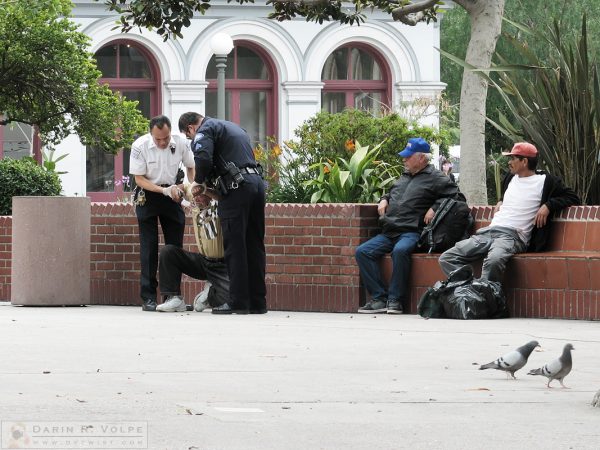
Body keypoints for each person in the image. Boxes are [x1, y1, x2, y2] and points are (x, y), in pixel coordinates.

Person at [439, 142, 580, 282]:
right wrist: (501, 200)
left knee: (493, 261)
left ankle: (485, 295)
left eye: (513, 158)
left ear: (524, 161)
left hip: (512, 237)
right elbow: (513, 195)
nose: (509, 162)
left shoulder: (545, 181)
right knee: (447, 258)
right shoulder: (510, 178)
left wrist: (548, 205)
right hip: (488, 232)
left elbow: (573, 197)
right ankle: (471, 290)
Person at [355, 137, 464, 315]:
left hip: (412, 232)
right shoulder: (404, 176)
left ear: (421, 158)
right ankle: (379, 298)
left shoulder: (436, 178)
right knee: (363, 252)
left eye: (408, 156)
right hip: (390, 230)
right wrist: (384, 199)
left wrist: (435, 207)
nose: (404, 159)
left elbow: (457, 197)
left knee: (400, 251)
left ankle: (395, 300)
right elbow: (391, 192)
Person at [178, 112, 267, 314]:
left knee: (235, 247)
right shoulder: (234, 127)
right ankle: (258, 302)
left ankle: (238, 302)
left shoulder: (204, 130)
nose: (192, 138)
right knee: (254, 244)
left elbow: (203, 158)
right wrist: (211, 190)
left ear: (190, 128)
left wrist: (199, 183)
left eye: (188, 135)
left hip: (237, 189)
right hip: (256, 185)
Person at [129, 115, 195, 311]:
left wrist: (191, 187)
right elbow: (139, 179)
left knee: (174, 248)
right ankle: (148, 297)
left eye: (165, 138)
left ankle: (172, 297)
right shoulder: (140, 146)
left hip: (173, 193)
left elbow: (191, 166)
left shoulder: (181, 143)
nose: (163, 142)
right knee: (149, 248)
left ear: (169, 132)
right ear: (151, 134)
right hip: (148, 194)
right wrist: (162, 190)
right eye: (158, 139)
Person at [156, 243, 230, 313]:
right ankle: (174, 299)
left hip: (224, 266)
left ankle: (210, 292)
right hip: (205, 260)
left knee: (233, 300)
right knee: (168, 252)